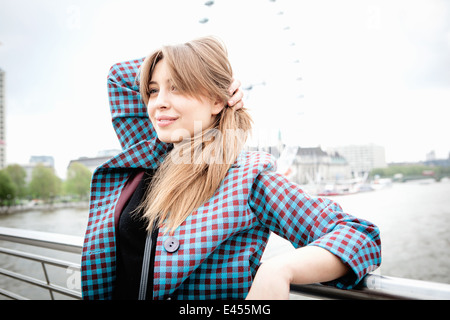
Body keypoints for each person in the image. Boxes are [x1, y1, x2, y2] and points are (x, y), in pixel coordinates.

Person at [81, 36, 381, 300]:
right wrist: (209, 74)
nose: (159, 103)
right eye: (153, 90)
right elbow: (118, 78)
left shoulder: (247, 176)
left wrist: (280, 270)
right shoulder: (148, 155)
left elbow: (359, 234)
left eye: (177, 88)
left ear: (215, 101)